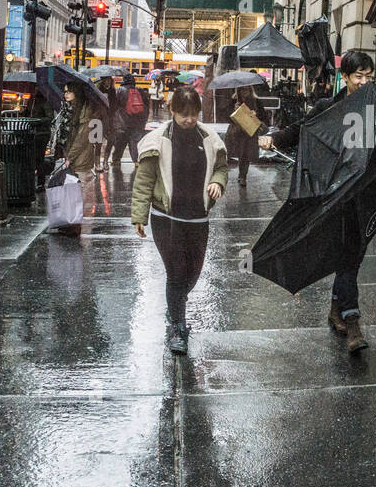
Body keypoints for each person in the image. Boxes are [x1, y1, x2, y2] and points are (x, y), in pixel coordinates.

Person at [259, 50, 375, 353]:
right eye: (358, 76)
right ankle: (353, 322)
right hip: (333, 194)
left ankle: (336, 310)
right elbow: (302, 128)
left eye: (368, 75)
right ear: (345, 78)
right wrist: (276, 138)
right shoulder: (329, 106)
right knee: (348, 256)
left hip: (362, 195)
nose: (364, 81)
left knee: (352, 257)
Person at [132, 87, 228, 355]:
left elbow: (221, 167)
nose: (189, 119)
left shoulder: (209, 137)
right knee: (176, 272)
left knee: (193, 272)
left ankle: (175, 306)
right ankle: (178, 327)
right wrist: (139, 216)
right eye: (184, 114)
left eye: (194, 114)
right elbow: (144, 181)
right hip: (166, 217)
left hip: (198, 217)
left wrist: (217, 183)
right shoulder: (157, 140)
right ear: (172, 111)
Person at [222, 84, 262, 187]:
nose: (244, 92)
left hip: (249, 132)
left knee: (246, 155)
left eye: (247, 89)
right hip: (237, 132)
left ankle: (243, 176)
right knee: (239, 153)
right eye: (242, 89)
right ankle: (231, 176)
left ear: (250, 90)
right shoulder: (234, 101)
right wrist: (234, 111)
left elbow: (263, 116)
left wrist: (255, 114)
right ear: (238, 90)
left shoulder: (255, 101)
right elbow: (226, 116)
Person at [110, 72, 149, 166]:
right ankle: (136, 161)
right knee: (135, 141)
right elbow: (146, 105)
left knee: (121, 141)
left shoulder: (120, 90)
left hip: (123, 121)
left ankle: (116, 160)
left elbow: (114, 106)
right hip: (138, 121)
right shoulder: (140, 90)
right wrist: (144, 119)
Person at [94, 76, 116, 172]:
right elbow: (93, 103)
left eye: (109, 80)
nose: (108, 82)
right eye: (106, 80)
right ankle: (97, 163)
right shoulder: (97, 89)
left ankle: (106, 161)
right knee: (98, 142)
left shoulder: (112, 90)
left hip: (110, 119)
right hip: (99, 118)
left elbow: (115, 104)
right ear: (103, 80)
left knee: (111, 140)